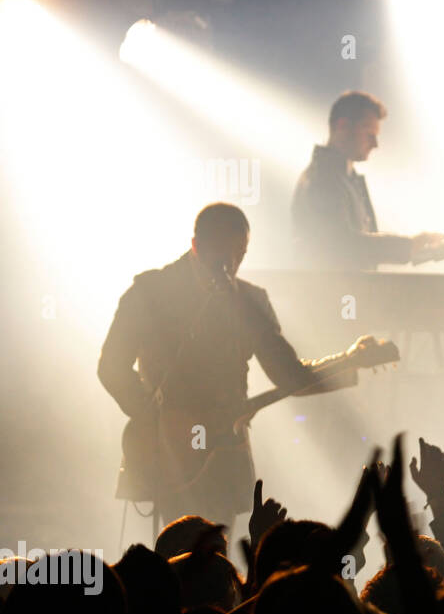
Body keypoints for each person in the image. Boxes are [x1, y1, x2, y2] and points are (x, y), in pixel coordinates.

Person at [98, 203, 361, 529]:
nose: (231, 264)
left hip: (224, 450)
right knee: (175, 548)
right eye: (221, 253)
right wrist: (156, 416)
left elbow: (288, 374)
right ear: (196, 246)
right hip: (168, 450)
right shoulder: (150, 292)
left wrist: (348, 364)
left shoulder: (249, 301)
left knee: (214, 551)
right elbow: (111, 366)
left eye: (240, 253)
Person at [291, 91, 444, 269]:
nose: (375, 144)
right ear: (342, 126)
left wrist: (411, 247)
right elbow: (340, 245)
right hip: (332, 295)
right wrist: (409, 245)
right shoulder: (323, 178)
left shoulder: (341, 177)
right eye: (369, 134)